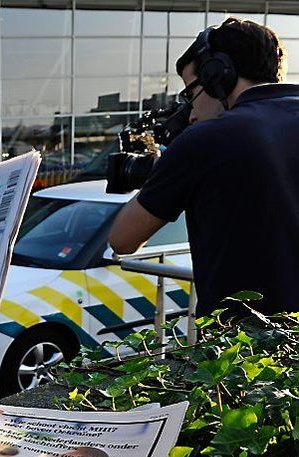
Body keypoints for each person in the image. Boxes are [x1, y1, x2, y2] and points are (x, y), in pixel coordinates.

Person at [108, 18, 297, 317]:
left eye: (190, 93)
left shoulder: (207, 139)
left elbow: (122, 239)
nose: (190, 109)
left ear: (217, 76)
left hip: (249, 352)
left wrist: (168, 170)